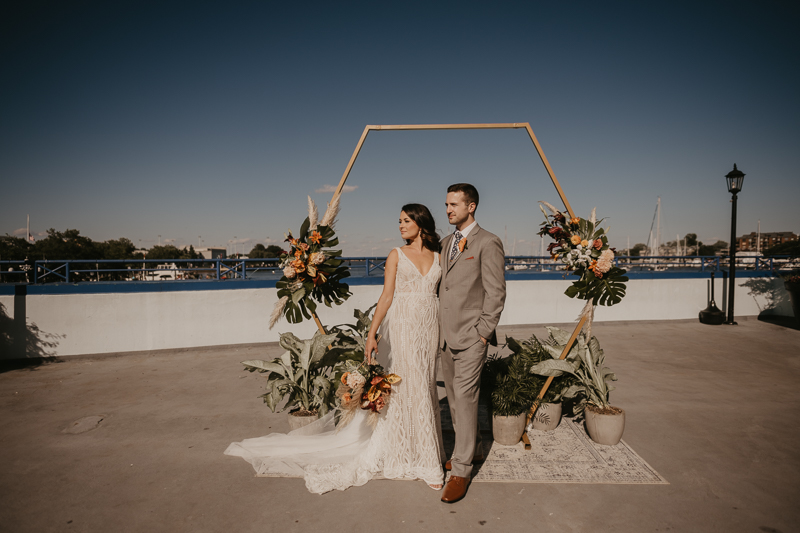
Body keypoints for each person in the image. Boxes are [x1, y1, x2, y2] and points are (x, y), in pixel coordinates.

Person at [225, 203, 446, 493]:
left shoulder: (439, 257)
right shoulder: (396, 255)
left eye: (406, 220)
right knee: (406, 384)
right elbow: (386, 297)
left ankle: (424, 449)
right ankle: (418, 458)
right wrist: (371, 334)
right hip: (402, 326)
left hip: (429, 327)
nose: (401, 225)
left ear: (421, 222)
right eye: (400, 221)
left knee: (425, 385)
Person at [438, 183, 506, 503]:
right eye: (447, 204)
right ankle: (475, 449)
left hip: (471, 337)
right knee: (453, 400)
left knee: (465, 400)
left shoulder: (489, 242)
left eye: (454, 204)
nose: (449, 209)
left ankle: (461, 470)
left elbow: (496, 292)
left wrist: (483, 332)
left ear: (472, 206)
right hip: (445, 337)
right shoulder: (444, 243)